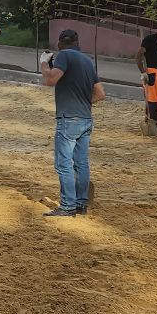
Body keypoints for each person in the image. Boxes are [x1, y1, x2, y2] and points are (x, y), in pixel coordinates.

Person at [42, 28, 104, 217]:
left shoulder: (63, 56)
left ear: (60, 43)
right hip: (86, 118)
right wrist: (84, 103)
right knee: (81, 163)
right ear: (77, 43)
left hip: (69, 119)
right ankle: (81, 204)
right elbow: (100, 94)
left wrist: (44, 63)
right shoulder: (87, 61)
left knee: (64, 164)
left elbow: (51, 79)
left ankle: (67, 205)